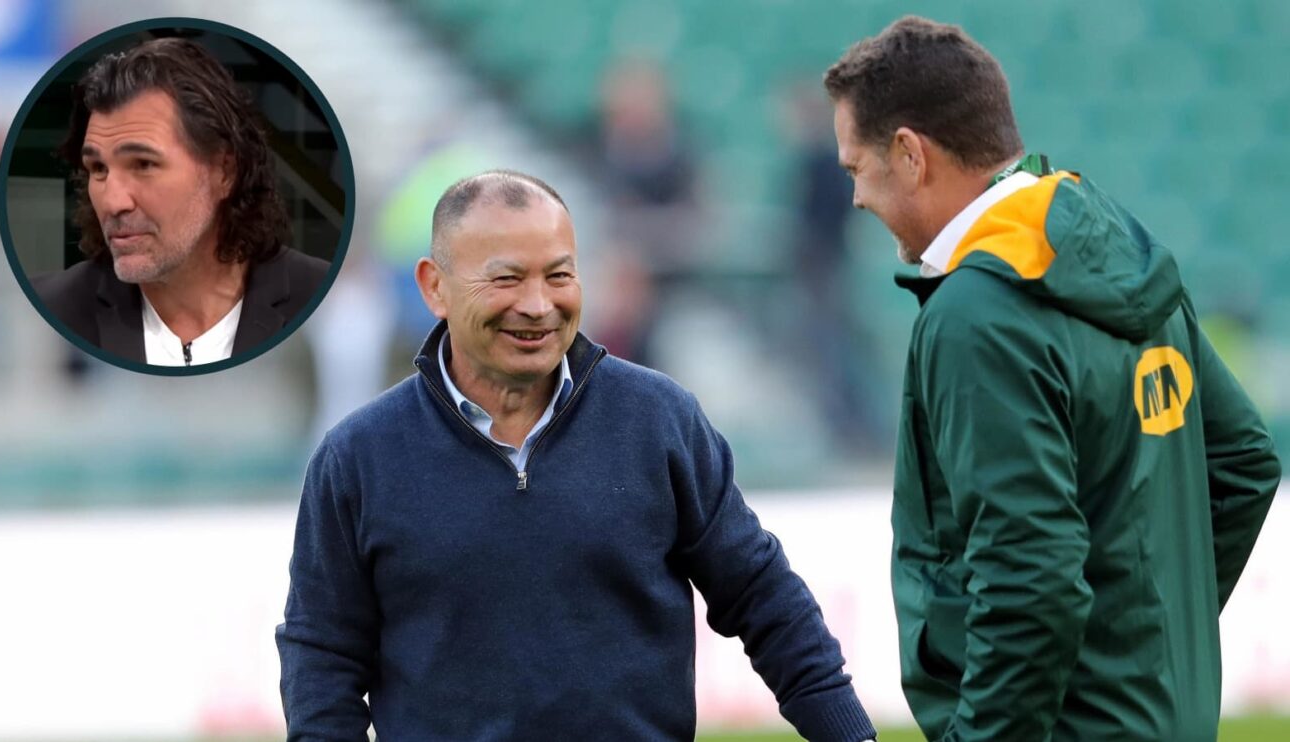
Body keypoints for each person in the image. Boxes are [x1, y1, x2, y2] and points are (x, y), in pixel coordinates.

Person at [275, 169, 877, 742]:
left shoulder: (659, 419)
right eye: (507, 279)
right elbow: (323, 651)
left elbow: (760, 595)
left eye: (559, 276)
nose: (538, 304)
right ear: (435, 286)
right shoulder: (358, 458)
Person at [823, 16, 1281, 741]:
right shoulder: (1119, 244)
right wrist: (1138, 653)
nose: (856, 197)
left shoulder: (977, 313)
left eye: (856, 169)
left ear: (909, 154)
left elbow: (1030, 578)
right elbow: (1246, 466)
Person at [31, 37, 329, 367]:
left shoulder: (316, 293)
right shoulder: (55, 305)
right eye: (98, 168)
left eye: (143, 164)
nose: (114, 202)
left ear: (225, 171)